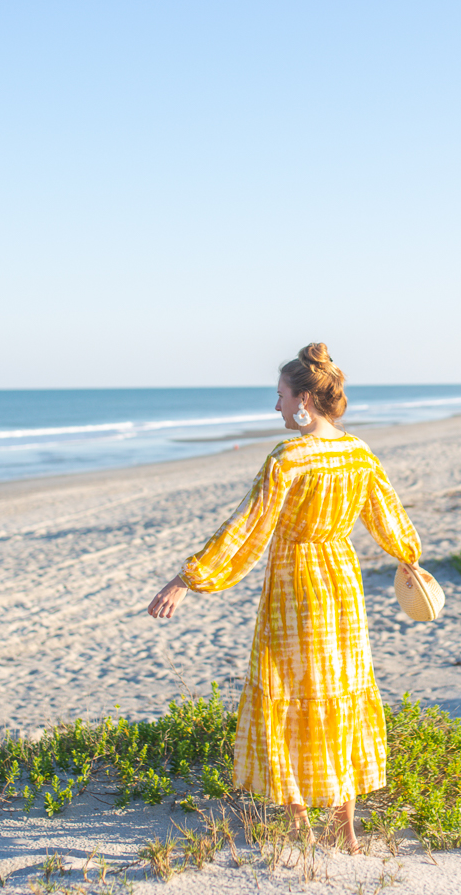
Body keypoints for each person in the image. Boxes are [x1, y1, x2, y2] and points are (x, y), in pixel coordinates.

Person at [147, 342, 424, 853]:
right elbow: (389, 518)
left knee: (289, 693)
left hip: (296, 585)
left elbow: (246, 530)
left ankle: (299, 826)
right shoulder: (360, 453)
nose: (275, 406)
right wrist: (409, 558)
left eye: (279, 396)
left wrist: (188, 579)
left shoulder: (289, 457)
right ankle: (347, 831)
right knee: (339, 689)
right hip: (342, 583)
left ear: (303, 401)